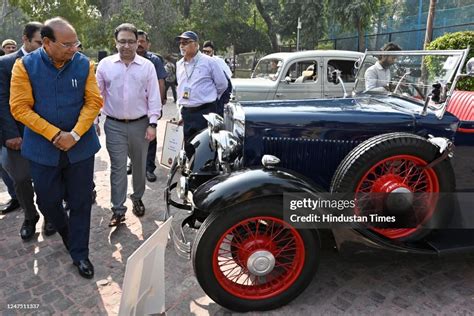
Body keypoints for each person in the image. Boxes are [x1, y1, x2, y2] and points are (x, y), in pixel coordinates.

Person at [10, 17, 103, 279]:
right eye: (67, 45)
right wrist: (54, 134)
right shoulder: (24, 66)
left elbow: (94, 102)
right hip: (42, 150)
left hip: (80, 148)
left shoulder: (84, 64)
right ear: (47, 43)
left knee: (81, 201)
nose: (74, 49)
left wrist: (73, 135)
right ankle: (68, 234)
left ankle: (80, 253)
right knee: (48, 201)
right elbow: (19, 107)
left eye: (76, 43)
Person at [96, 23, 161, 227]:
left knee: (139, 166)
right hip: (114, 125)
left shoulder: (147, 66)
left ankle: (138, 197)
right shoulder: (105, 65)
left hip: (140, 125)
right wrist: (96, 119)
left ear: (137, 43)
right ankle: (118, 209)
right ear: (115, 43)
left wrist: (152, 124)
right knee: (117, 167)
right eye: (122, 41)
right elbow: (98, 96)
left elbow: (153, 97)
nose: (126, 45)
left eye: (131, 41)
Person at [0, 21, 57, 240]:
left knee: (47, 179)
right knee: (22, 178)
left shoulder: (50, 60)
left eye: (47, 42)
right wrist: (11, 134)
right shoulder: (5, 64)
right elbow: (3, 102)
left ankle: (50, 215)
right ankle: (30, 216)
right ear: (24, 39)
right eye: (37, 42)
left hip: (46, 133)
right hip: (18, 135)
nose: (43, 46)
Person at [175, 31, 227, 155]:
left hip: (205, 112)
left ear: (196, 44)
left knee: (205, 148)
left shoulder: (209, 62)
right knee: (189, 146)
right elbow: (181, 89)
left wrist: (210, 99)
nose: (182, 46)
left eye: (186, 42)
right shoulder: (179, 64)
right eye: (181, 43)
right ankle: (190, 172)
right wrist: (181, 110)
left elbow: (222, 84)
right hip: (187, 112)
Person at [136, 29, 167, 182]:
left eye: (143, 41)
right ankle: (134, 163)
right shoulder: (127, 60)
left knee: (150, 137)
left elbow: (161, 82)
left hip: (150, 107)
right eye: (138, 41)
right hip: (134, 108)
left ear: (148, 44)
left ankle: (149, 168)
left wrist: (159, 104)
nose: (140, 44)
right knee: (132, 137)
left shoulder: (154, 60)